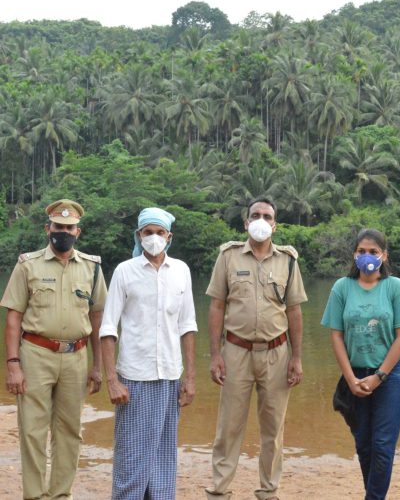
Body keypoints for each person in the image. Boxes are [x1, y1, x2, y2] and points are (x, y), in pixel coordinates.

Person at [1, 198, 107, 500]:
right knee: (32, 431)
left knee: (71, 430)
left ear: (78, 231)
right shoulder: (28, 265)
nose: (63, 231)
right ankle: (34, 495)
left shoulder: (92, 268)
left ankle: (61, 495)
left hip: (76, 356)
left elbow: (98, 318)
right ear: (48, 228)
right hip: (35, 354)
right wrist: (13, 364)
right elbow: (13, 319)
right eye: (58, 226)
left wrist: (97, 366)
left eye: (69, 227)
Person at [205, 198, 307, 500]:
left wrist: (297, 358)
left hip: (277, 353)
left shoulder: (288, 261)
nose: (261, 220)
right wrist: (215, 355)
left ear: (275, 224)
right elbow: (217, 307)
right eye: (255, 215)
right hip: (235, 351)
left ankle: (268, 491)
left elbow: (294, 312)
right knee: (229, 426)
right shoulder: (228, 257)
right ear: (246, 222)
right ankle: (219, 490)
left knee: (273, 429)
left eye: (267, 216)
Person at [100, 207, 197, 500]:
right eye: (147, 232)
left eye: (159, 232)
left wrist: (190, 378)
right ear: (139, 235)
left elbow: (188, 326)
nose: (153, 237)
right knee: (131, 458)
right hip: (134, 379)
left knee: (164, 457)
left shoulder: (181, 271)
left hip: (169, 377)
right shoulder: (124, 272)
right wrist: (112, 381)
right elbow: (107, 329)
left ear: (169, 237)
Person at [321, 228, 400, 500]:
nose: (367, 257)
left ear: (384, 256)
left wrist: (379, 376)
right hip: (355, 375)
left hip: (390, 376)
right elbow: (336, 336)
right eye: (361, 252)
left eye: (373, 252)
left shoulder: (396, 287)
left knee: (383, 445)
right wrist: (351, 379)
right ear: (354, 255)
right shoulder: (342, 288)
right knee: (364, 445)